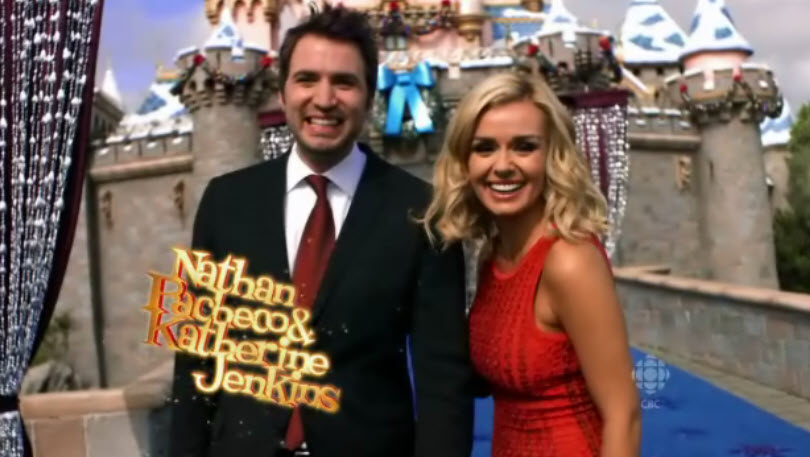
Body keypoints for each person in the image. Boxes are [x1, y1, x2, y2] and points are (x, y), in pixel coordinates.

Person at [169, 6, 473, 457]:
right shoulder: (226, 203)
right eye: (307, 79)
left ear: (369, 96)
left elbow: (443, 382)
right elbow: (196, 360)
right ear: (283, 91)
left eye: (344, 82)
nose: (324, 99)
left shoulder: (422, 213)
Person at [423, 72, 641, 457]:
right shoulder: (492, 254)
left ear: (552, 156)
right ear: (464, 161)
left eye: (524, 147)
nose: (503, 165)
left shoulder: (570, 261)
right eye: (484, 148)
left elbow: (623, 415)